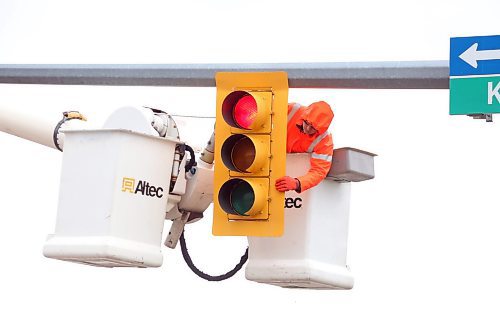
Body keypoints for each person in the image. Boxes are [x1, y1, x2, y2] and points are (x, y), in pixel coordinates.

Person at [275, 101, 334, 193]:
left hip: (284, 167)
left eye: (313, 128)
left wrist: (297, 183)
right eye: (307, 123)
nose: (307, 129)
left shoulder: (325, 141)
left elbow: (319, 171)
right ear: (305, 115)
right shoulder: (292, 109)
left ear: (322, 129)